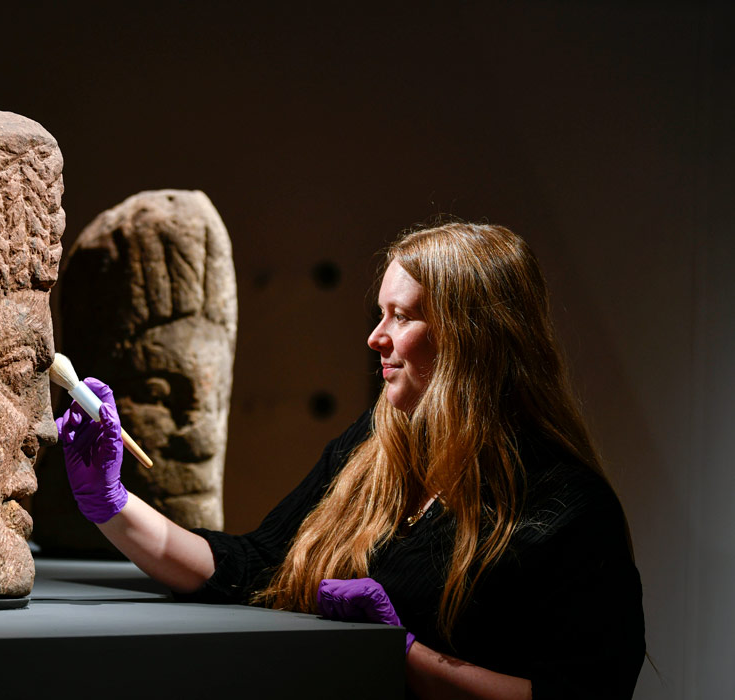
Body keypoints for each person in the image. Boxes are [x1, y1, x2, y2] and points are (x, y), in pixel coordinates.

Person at [55, 222, 645, 699]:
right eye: (379, 313)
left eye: (403, 315)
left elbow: (587, 694)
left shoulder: (566, 507)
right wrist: (110, 503)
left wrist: (408, 657)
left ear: (473, 338)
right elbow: (254, 566)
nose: (375, 337)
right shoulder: (373, 446)